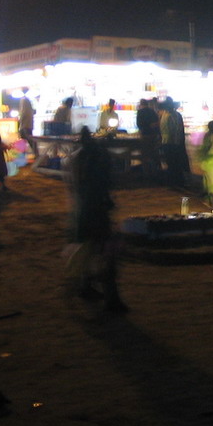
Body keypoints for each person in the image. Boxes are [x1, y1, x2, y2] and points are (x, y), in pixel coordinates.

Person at [69, 127, 127, 312]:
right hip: (96, 213)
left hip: (85, 213)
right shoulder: (98, 161)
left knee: (90, 251)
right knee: (106, 256)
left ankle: (86, 286)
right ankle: (111, 298)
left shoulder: (81, 161)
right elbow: (103, 187)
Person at [159, 98, 189, 189]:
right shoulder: (175, 115)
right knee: (176, 163)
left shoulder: (164, 115)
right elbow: (178, 130)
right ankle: (178, 182)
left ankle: (172, 182)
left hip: (166, 142)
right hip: (174, 143)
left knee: (171, 163)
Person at [135, 98, 161, 176]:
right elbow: (157, 123)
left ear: (141, 104)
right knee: (153, 152)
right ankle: (155, 169)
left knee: (145, 154)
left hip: (145, 135)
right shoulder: (152, 111)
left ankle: (146, 171)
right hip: (153, 135)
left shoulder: (140, 112)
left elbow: (139, 124)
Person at [17, 87, 39, 161]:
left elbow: (23, 113)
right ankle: (36, 154)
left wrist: (20, 123)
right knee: (29, 140)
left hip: (24, 125)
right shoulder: (28, 101)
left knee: (25, 140)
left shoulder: (23, 100)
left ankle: (23, 157)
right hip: (28, 124)